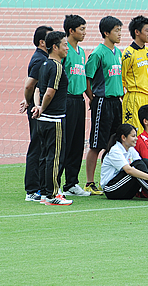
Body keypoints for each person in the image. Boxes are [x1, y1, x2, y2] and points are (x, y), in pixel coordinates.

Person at [84, 16, 124, 195]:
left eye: (120, 30)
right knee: (96, 143)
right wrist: (93, 99)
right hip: (102, 102)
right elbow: (88, 78)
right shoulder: (98, 53)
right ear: (106, 33)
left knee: (114, 142)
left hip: (116, 102)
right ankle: (89, 182)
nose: (120, 34)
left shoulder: (118, 53)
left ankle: (108, 178)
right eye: (117, 31)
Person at [32, 31, 72, 205]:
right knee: (55, 158)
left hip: (43, 121)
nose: (67, 48)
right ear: (55, 47)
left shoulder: (44, 64)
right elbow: (49, 92)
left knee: (44, 157)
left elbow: (36, 89)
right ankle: (53, 195)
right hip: (54, 119)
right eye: (64, 45)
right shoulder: (56, 66)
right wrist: (42, 107)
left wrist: (37, 107)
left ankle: (43, 193)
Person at [100, 124, 148, 202]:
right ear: (123, 137)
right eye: (133, 136)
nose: (136, 139)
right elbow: (129, 170)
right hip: (112, 190)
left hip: (126, 190)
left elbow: (143, 165)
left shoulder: (130, 149)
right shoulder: (115, 150)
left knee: (145, 161)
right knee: (135, 168)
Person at [58, 15, 90, 197]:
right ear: (71, 30)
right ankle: (56, 183)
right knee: (65, 143)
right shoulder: (64, 51)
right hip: (67, 100)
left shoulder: (82, 52)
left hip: (79, 100)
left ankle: (71, 183)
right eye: (82, 29)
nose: (85, 33)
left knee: (78, 143)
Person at [21, 25, 53, 202]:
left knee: (42, 147)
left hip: (38, 108)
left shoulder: (43, 57)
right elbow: (30, 85)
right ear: (42, 42)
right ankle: (32, 190)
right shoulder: (40, 60)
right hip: (38, 110)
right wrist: (30, 101)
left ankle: (39, 187)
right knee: (37, 147)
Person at [122, 15, 148, 134]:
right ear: (137, 32)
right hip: (134, 98)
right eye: (147, 30)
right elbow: (122, 78)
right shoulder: (128, 54)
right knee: (132, 134)